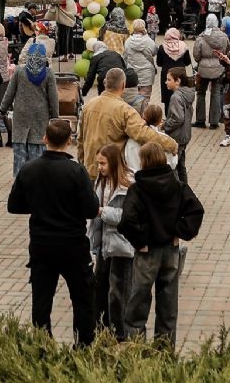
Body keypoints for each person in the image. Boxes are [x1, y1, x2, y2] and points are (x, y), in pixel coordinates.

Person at [7, 119, 100, 348]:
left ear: (44, 139)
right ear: (69, 141)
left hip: (41, 244)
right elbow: (90, 209)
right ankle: (84, 346)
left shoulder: (29, 168)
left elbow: (14, 205)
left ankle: (42, 346)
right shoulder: (76, 171)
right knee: (82, 299)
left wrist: (39, 205)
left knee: (41, 299)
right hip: (73, 244)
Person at [120, 141, 204, 344]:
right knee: (168, 305)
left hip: (147, 253)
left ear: (144, 161)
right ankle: (165, 353)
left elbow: (128, 220)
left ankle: (136, 349)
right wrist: (179, 232)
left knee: (138, 304)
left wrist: (141, 240)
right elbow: (196, 210)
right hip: (171, 251)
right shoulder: (176, 185)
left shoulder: (138, 189)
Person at [78, 68, 177, 167]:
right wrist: (171, 144)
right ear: (123, 85)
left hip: (89, 168)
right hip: (112, 172)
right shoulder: (125, 110)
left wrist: (82, 164)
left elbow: (81, 139)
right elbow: (144, 134)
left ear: (105, 83)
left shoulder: (88, 105)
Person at [89, 143, 135, 340]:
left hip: (121, 246)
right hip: (104, 245)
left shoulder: (128, 185)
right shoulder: (101, 181)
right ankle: (102, 329)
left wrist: (102, 212)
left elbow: (129, 217)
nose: (99, 167)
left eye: (103, 163)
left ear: (114, 162)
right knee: (100, 287)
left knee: (119, 291)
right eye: (98, 163)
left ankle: (121, 334)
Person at [0, 40, 60, 176]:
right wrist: (55, 115)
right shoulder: (48, 73)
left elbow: (10, 92)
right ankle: (37, 174)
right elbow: (53, 97)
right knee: (37, 144)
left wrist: (2, 109)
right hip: (40, 114)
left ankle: (20, 175)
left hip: (21, 113)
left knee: (20, 144)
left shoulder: (19, 71)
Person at [192, 14, 228, 128]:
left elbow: (196, 55)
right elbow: (227, 52)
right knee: (216, 94)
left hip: (203, 69)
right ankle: (214, 122)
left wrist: (201, 62)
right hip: (219, 68)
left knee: (201, 93)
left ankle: (200, 120)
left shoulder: (201, 37)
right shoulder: (224, 36)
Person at [163, 67, 195, 182]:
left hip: (177, 136)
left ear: (178, 81)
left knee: (174, 167)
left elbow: (178, 118)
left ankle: (178, 192)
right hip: (185, 134)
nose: (166, 82)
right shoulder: (187, 94)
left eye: (169, 79)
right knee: (181, 165)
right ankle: (184, 189)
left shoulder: (176, 97)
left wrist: (165, 125)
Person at [123, 19, 159, 98]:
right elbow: (155, 51)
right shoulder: (149, 41)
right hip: (147, 74)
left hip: (132, 74)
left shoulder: (128, 41)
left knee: (133, 98)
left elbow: (125, 56)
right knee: (145, 98)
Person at [156, 27, 190, 105]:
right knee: (180, 98)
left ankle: (168, 116)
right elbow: (188, 62)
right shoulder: (183, 46)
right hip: (180, 74)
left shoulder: (162, 47)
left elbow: (158, 63)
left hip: (167, 74)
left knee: (167, 100)